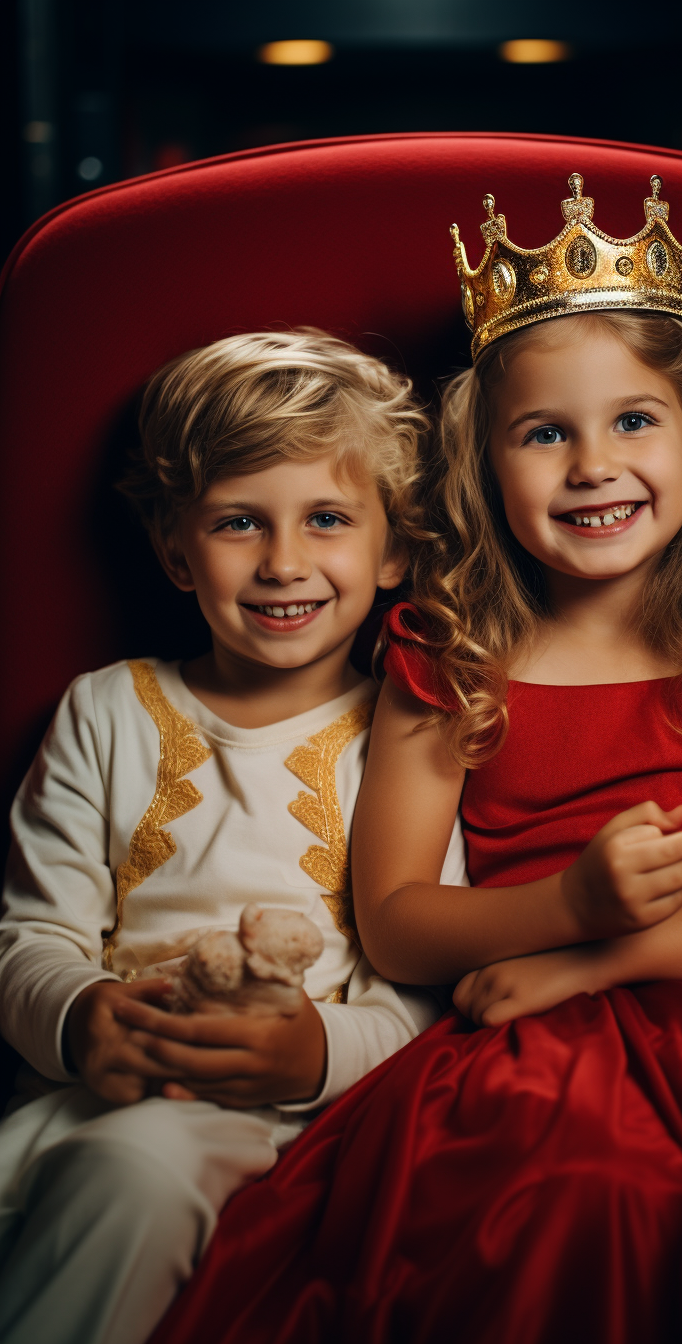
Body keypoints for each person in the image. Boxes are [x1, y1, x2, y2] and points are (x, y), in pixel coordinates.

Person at [149, 176, 682, 1344]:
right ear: (485, 465)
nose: (593, 465)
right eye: (545, 434)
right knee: (572, 1197)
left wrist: (598, 957)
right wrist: (562, 907)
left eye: (634, 421)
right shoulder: (450, 656)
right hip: (526, 1044)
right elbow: (395, 920)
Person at [0, 328, 466, 1344]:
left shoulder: (408, 734)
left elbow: (423, 1003)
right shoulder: (105, 712)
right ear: (174, 547)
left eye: (328, 519)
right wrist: (82, 1019)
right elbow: (27, 939)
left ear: (392, 551)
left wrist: (308, 1056)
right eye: (239, 523)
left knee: (132, 1176)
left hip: (279, 1119)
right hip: (83, 1091)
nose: (284, 562)